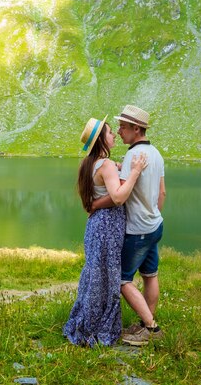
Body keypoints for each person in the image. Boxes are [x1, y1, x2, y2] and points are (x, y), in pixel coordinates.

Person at [63, 116, 148, 347]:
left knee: (94, 274)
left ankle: (86, 320)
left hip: (95, 226)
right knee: (109, 275)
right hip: (109, 225)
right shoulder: (107, 164)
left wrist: (119, 169)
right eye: (110, 133)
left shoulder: (88, 164)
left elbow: (97, 193)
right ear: (101, 140)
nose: (114, 136)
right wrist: (135, 172)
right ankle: (102, 326)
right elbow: (119, 197)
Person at [92, 105, 166, 346]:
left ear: (136, 129)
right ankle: (146, 321)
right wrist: (151, 214)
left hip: (137, 230)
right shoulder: (156, 153)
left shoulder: (134, 157)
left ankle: (151, 329)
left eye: (123, 127)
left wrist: (93, 205)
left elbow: (119, 196)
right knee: (149, 274)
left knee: (122, 280)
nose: (120, 132)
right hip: (155, 225)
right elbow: (162, 193)